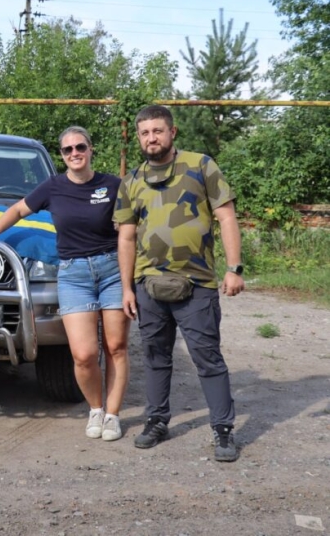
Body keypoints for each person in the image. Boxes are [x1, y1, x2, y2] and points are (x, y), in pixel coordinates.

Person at [0, 126, 129, 441]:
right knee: (84, 354)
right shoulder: (53, 187)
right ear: (61, 156)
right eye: (67, 150)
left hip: (113, 269)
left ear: (91, 150)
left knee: (116, 346)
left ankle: (113, 415)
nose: (75, 153)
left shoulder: (114, 185)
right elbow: (20, 208)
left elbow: (134, 220)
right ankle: (96, 409)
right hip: (73, 274)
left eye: (80, 147)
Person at [114, 104, 245, 463]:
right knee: (156, 358)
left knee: (207, 358)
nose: (151, 137)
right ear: (139, 138)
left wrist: (234, 268)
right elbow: (126, 238)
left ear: (172, 132)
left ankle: (222, 429)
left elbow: (226, 216)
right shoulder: (131, 181)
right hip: (148, 286)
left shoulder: (201, 166)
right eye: (144, 132)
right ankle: (156, 420)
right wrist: (127, 288)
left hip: (197, 284)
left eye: (158, 130)